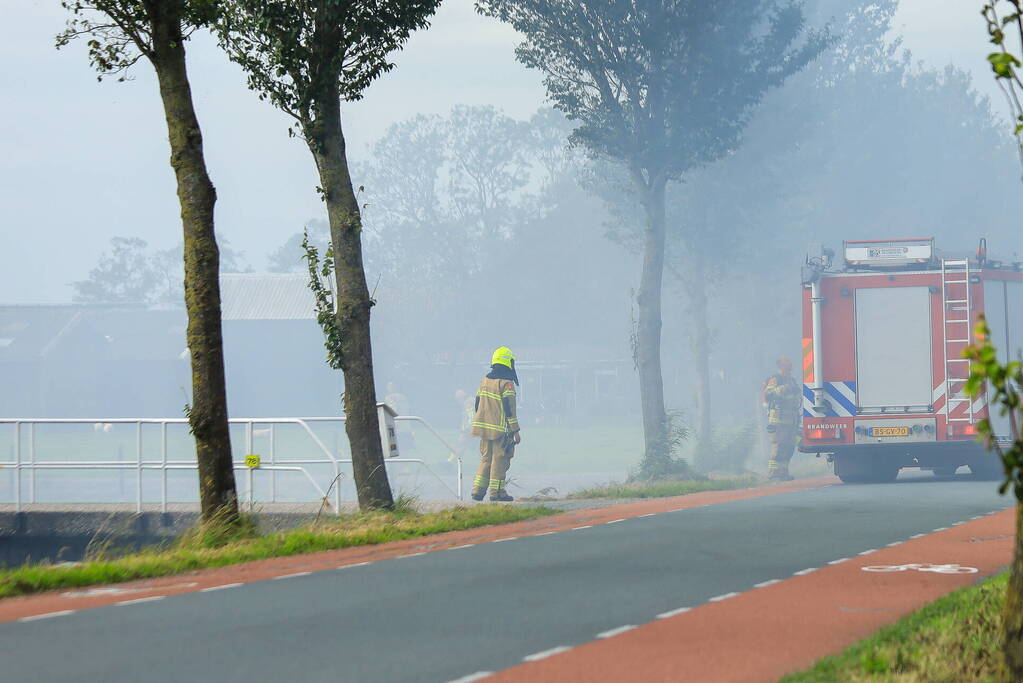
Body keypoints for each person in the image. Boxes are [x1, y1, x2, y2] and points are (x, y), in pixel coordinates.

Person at [470, 346, 521, 502]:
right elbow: (509, 409)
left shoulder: (484, 380)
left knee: (486, 459)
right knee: (500, 459)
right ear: (508, 362)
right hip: (500, 430)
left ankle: (477, 491)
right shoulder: (507, 383)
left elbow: (477, 404)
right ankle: (497, 492)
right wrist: (515, 431)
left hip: (483, 429)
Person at [762, 355, 801, 481]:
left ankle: (783, 471)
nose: (790, 365)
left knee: (789, 447)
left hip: (791, 419)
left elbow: (797, 396)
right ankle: (773, 473)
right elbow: (768, 394)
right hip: (778, 419)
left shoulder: (792, 380)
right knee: (778, 446)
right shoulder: (776, 379)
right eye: (787, 363)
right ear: (781, 365)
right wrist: (784, 388)